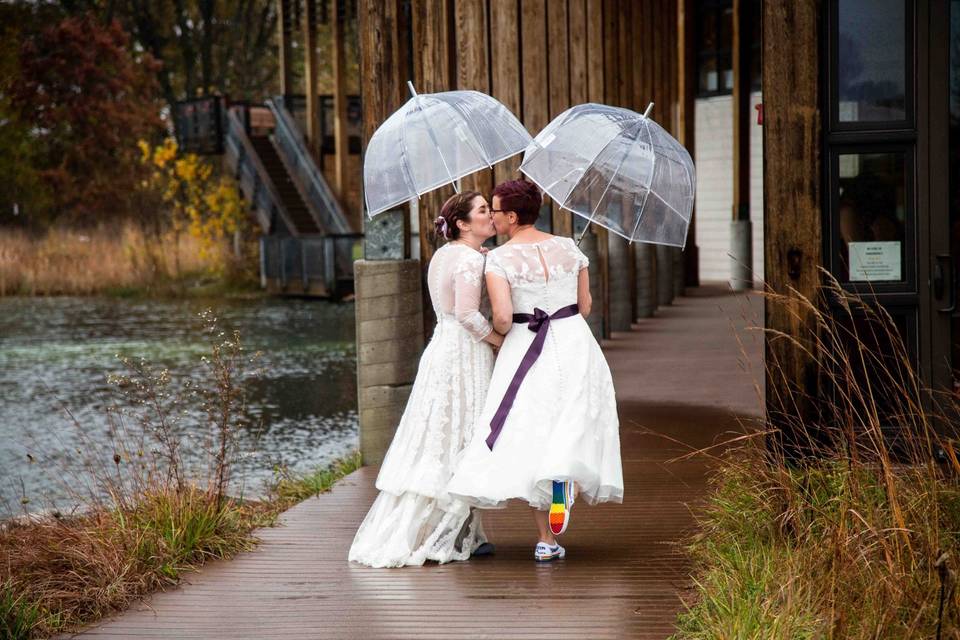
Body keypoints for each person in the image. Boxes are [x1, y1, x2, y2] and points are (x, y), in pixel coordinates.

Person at [447, 179, 623, 563]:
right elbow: (586, 305)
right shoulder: (570, 249)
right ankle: (565, 478)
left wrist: (493, 335)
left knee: (534, 429)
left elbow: (505, 319)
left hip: (528, 345)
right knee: (574, 418)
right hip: (575, 341)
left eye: (494, 210)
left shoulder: (500, 259)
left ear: (511, 216)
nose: (492, 217)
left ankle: (546, 539)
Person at [349, 191, 503, 567]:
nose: (491, 216)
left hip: (442, 347)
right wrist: (499, 341)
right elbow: (467, 313)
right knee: (461, 434)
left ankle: (463, 529)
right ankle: (450, 532)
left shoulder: (445, 255)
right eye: (483, 211)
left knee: (442, 432)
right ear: (464, 224)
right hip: (464, 352)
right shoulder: (467, 259)